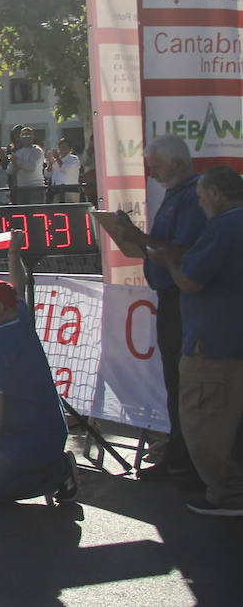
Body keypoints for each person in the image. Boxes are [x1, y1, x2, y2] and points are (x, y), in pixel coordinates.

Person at [147, 165, 243, 516]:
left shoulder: (223, 226)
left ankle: (228, 494)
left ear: (217, 194)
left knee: (205, 425)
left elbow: (190, 280)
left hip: (213, 346)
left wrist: (169, 262)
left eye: (202, 200)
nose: (201, 206)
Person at [0, 244, 77, 505]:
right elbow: (17, 286)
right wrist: (13, 255)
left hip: (30, 438)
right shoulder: (18, 316)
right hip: (46, 425)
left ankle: (58, 472)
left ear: (0, 308)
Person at [120, 136, 206, 482]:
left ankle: (189, 462)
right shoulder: (177, 194)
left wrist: (138, 238)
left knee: (185, 382)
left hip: (184, 300)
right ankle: (178, 455)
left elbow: (183, 250)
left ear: (176, 164)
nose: (151, 173)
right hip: (171, 298)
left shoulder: (192, 196)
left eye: (155, 166)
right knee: (175, 380)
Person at [11, 128, 46, 204]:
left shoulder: (37, 151)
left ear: (33, 137)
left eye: (28, 135)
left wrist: (16, 161)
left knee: (36, 213)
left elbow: (31, 167)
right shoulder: (18, 152)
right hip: (21, 188)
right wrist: (9, 160)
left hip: (35, 188)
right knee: (23, 213)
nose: (26, 137)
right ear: (20, 137)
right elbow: (10, 170)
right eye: (23, 135)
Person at [47, 139, 81, 203]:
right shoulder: (55, 161)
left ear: (70, 149)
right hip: (56, 190)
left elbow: (65, 169)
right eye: (61, 147)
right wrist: (51, 162)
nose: (63, 149)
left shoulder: (73, 159)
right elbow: (47, 174)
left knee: (70, 211)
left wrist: (57, 158)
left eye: (65, 147)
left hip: (70, 190)